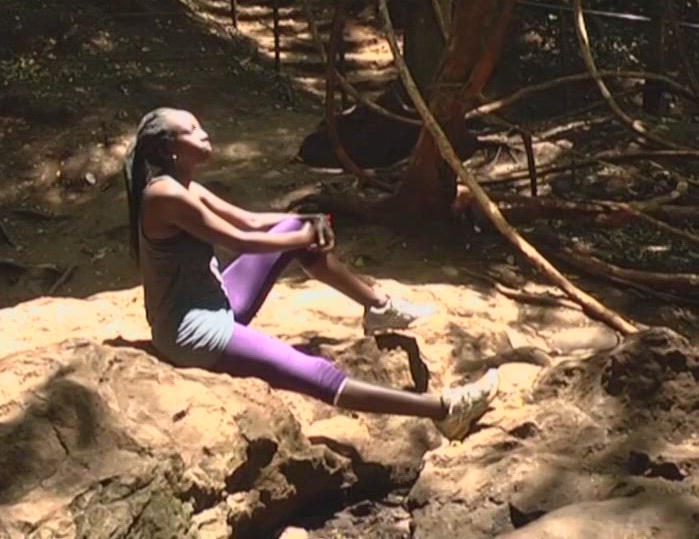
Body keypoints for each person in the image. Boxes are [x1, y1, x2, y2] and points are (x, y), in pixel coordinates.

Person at [126, 107, 502, 440]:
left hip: (217, 302)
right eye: (191, 130)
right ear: (168, 149)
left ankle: (379, 307)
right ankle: (445, 410)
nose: (204, 133)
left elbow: (251, 220)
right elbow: (241, 240)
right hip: (193, 332)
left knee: (292, 226)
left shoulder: (184, 186)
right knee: (316, 372)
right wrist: (305, 236)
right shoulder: (165, 196)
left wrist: (307, 220)